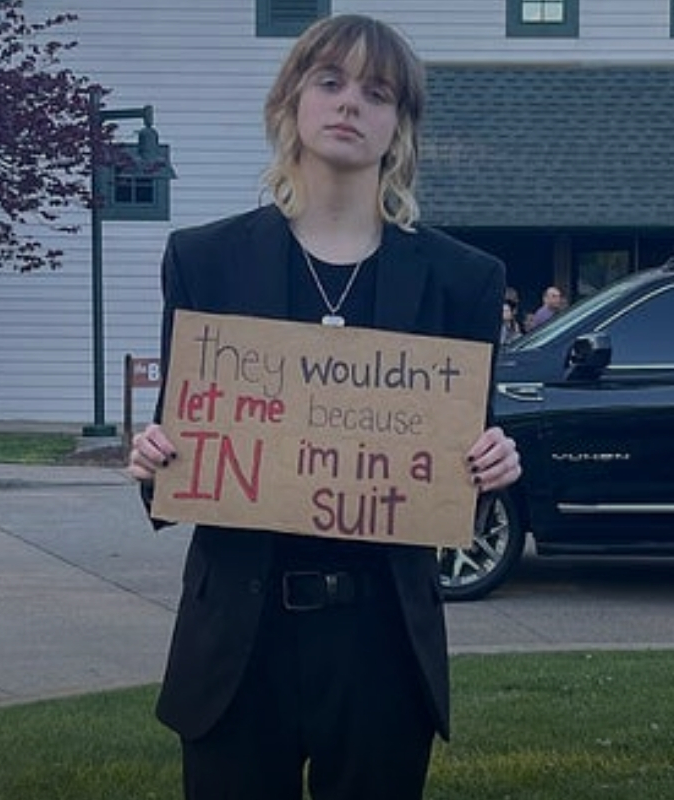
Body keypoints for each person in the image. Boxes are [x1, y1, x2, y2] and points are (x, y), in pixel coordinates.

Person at [125, 15, 521, 800]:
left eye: (377, 93)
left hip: (382, 643)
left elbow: (454, 474)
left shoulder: (461, 281)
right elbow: (184, 457)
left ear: (399, 125)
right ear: (291, 102)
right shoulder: (206, 260)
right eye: (330, 82)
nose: (351, 105)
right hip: (239, 641)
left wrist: (493, 467)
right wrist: (153, 460)